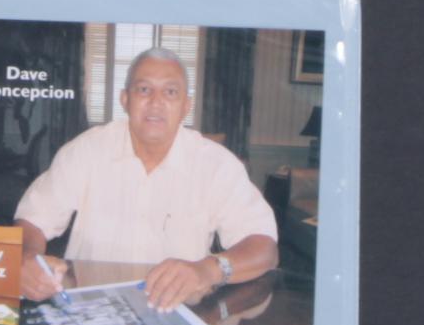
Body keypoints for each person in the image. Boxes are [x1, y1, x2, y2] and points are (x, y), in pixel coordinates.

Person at [15, 46, 279, 308]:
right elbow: (33, 221)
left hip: (179, 310)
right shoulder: (85, 150)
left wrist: (208, 270)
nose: (156, 102)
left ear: (186, 105)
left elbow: (264, 247)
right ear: (125, 99)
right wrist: (27, 260)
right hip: (90, 306)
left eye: (170, 92)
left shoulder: (217, 164)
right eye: (144, 90)